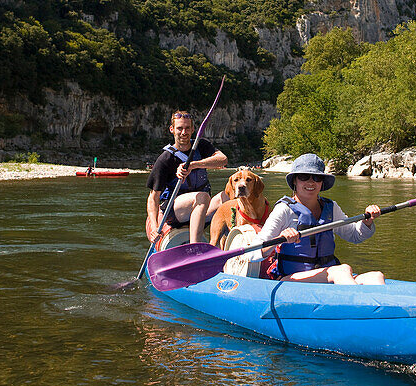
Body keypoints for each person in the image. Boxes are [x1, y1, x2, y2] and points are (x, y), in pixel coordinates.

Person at [256, 153, 385, 285]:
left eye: (317, 177)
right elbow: (255, 252)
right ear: (295, 180)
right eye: (304, 177)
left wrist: (367, 221)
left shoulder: (331, 208)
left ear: (322, 182)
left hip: (326, 275)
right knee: (342, 270)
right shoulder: (284, 210)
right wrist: (280, 238)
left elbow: (354, 235)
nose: (311, 182)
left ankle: (378, 305)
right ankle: (356, 304)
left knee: (376, 277)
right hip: (292, 280)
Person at [146, 110, 228, 243]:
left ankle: (225, 243)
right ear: (172, 130)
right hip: (176, 213)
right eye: (179, 128)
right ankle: (194, 246)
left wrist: (194, 165)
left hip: (201, 209)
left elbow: (223, 160)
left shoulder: (201, 146)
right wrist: (155, 228)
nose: (184, 132)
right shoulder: (165, 159)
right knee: (202, 196)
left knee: (228, 196)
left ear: (193, 129)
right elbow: (153, 198)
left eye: (187, 128)